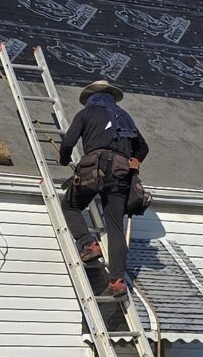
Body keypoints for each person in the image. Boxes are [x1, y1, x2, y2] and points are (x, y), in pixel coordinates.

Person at [56, 79, 149, 293]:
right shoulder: (125, 117)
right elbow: (143, 148)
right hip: (120, 172)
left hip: (93, 167)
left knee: (70, 206)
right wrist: (132, 163)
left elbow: (68, 142)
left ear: (91, 98)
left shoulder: (86, 114)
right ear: (111, 98)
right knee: (115, 225)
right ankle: (117, 281)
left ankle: (89, 244)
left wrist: (64, 160)